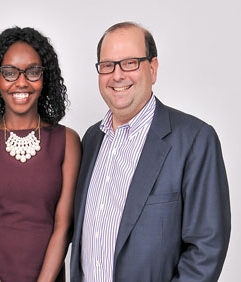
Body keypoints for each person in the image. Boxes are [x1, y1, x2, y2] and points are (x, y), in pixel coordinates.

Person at [70, 21, 231, 282]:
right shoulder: (91, 140)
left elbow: (206, 248)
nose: (117, 75)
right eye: (107, 65)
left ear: (152, 69)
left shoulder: (195, 140)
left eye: (130, 62)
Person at [0, 27, 81, 282]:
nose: (22, 82)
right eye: (10, 73)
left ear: (44, 78)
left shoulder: (67, 141)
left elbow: (63, 227)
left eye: (33, 72)